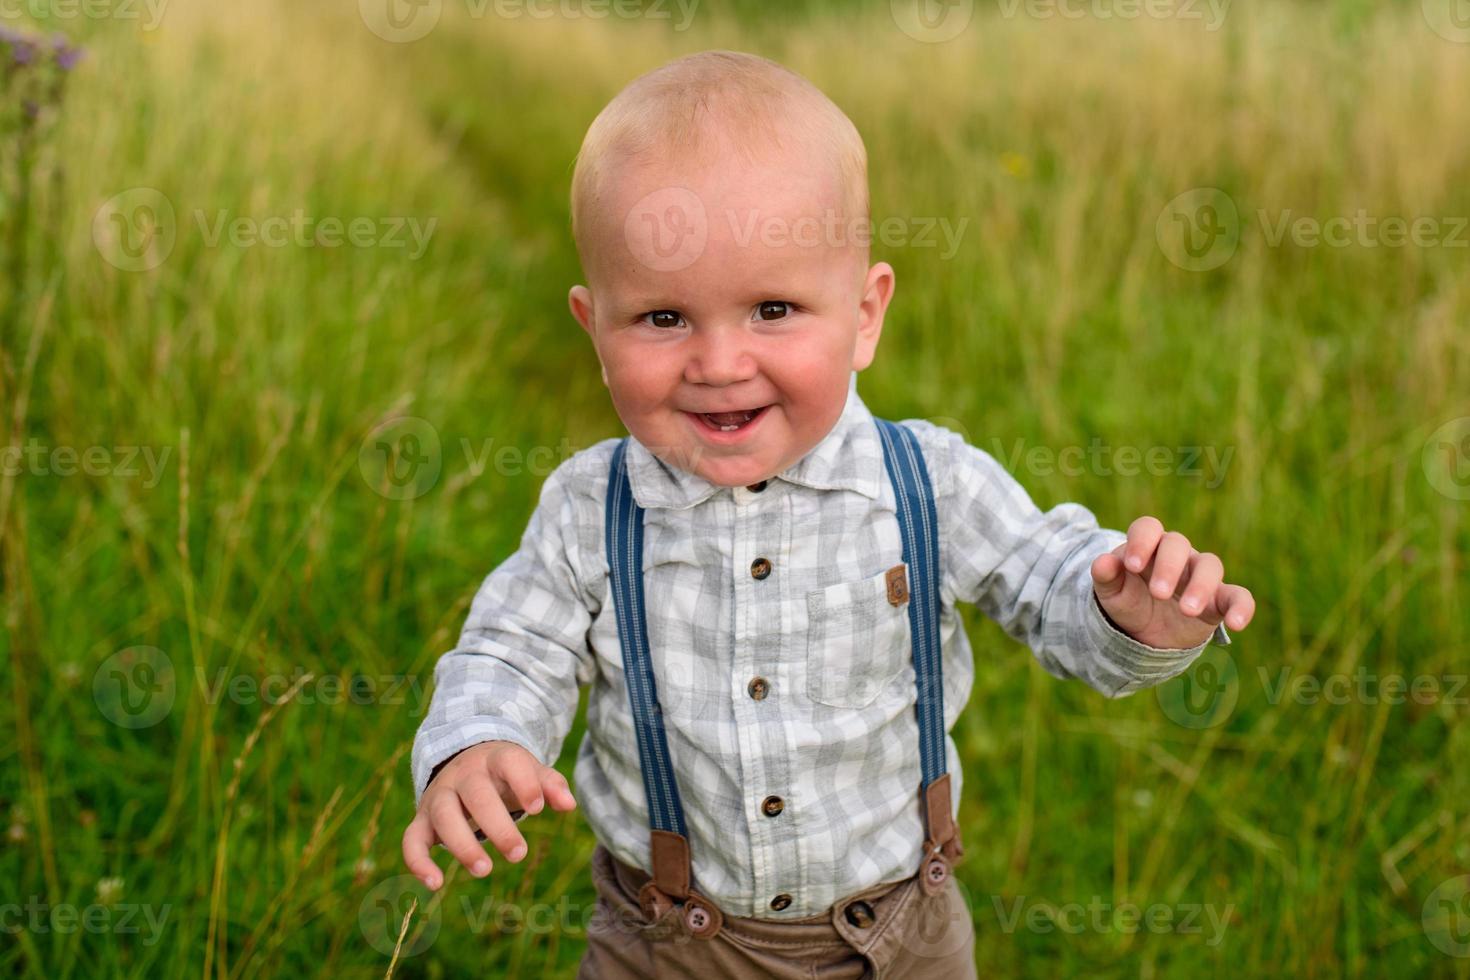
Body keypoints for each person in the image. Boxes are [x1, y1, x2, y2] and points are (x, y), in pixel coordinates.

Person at [402, 49, 1254, 978]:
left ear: (864, 314)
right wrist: (480, 741)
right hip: (665, 940)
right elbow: (514, 647)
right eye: (662, 319)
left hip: (903, 932)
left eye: (772, 308)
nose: (720, 362)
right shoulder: (587, 508)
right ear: (592, 327)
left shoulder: (928, 480)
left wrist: (1131, 613)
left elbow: (1050, 580)